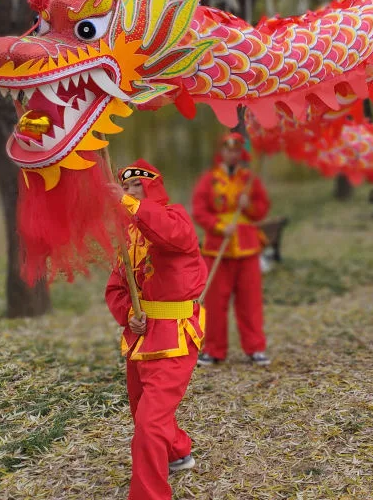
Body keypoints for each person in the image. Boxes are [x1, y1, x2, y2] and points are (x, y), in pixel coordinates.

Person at [105, 159, 207, 500]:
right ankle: (178, 452)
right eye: (126, 187)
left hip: (176, 337)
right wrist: (128, 314)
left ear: (154, 187)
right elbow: (116, 288)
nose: (131, 192)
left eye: (138, 186)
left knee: (148, 423)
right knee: (141, 411)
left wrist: (129, 204)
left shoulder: (175, 218)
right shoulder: (126, 236)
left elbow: (170, 235)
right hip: (140, 338)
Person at [192, 132, 271, 365]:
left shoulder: (249, 179)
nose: (232, 153)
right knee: (216, 302)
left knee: (250, 302)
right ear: (221, 152)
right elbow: (199, 210)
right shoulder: (209, 180)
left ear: (241, 153)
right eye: (228, 149)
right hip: (218, 249)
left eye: (236, 149)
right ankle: (214, 349)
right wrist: (217, 226)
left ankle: (255, 348)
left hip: (247, 247)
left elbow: (262, 207)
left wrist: (250, 207)